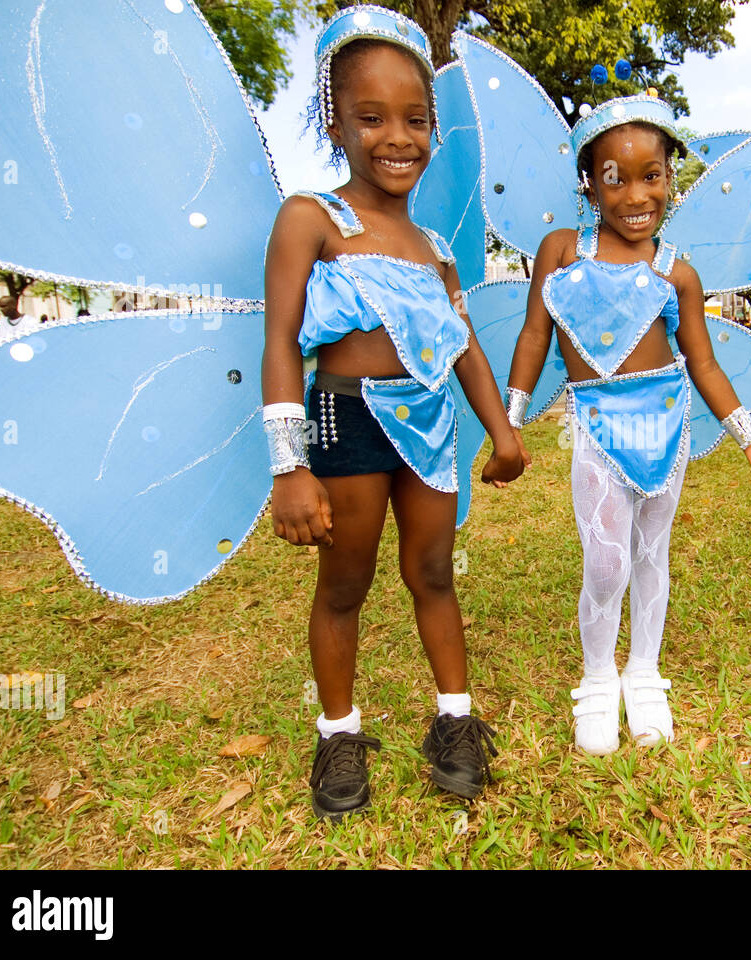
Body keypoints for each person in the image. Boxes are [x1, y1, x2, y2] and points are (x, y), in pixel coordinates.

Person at [260, 7, 526, 818]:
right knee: (346, 583)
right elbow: (280, 344)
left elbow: (464, 347)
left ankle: (453, 721)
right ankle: (338, 734)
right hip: (346, 419)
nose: (396, 138)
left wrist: (504, 430)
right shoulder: (312, 219)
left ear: (433, 127)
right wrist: (290, 465)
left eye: (414, 119)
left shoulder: (435, 247)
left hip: (431, 422)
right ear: (334, 123)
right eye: (370, 118)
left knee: (435, 572)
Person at [505, 96, 751, 755]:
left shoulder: (677, 272)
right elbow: (532, 337)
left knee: (650, 554)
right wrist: (511, 423)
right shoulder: (562, 252)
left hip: (667, 422)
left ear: (671, 177)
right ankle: (598, 677)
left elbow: (704, 363)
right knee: (606, 562)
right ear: (590, 181)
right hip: (598, 423)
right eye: (616, 177)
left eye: (652, 175)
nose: (637, 194)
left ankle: (644, 673)